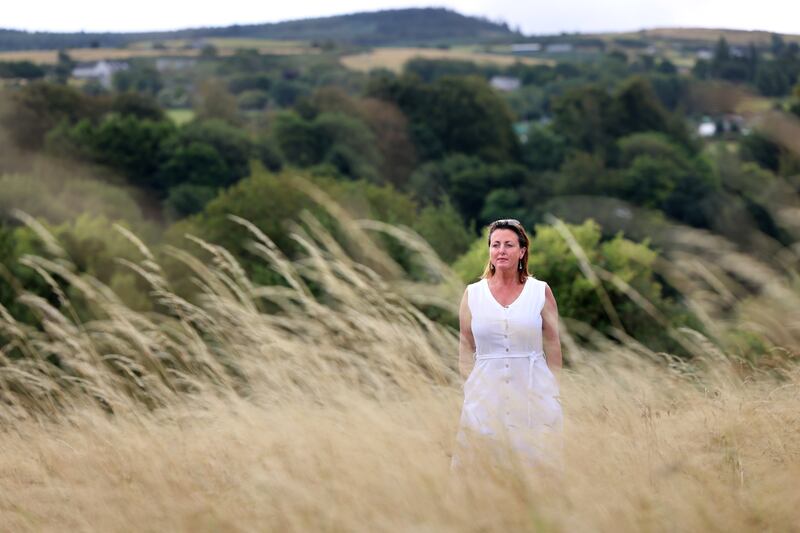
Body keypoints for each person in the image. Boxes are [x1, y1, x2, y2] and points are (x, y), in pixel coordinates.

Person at [452, 218, 563, 471]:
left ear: (522, 251)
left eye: (509, 245)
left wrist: (553, 391)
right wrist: (470, 386)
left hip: (533, 391)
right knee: (482, 466)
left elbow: (553, 343)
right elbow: (465, 345)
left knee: (535, 465)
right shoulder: (473, 294)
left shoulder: (540, 291)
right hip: (484, 395)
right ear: (489, 250)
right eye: (495, 245)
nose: (501, 250)